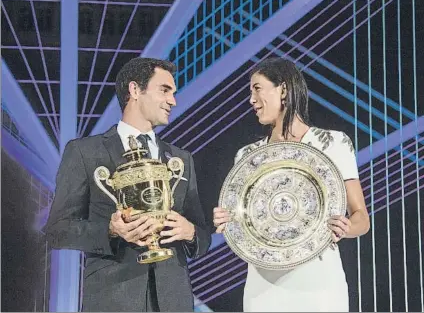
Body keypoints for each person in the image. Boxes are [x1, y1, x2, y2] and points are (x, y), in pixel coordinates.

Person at [46, 58, 211, 312]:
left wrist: (190, 231)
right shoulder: (84, 152)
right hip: (113, 298)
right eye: (164, 90)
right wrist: (110, 230)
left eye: (173, 93)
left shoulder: (181, 159)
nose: (173, 101)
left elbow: (202, 234)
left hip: (173, 301)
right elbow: (57, 230)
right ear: (135, 90)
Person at [213, 58, 370, 312]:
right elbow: (244, 224)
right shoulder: (247, 157)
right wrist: (228, 220)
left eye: (257, 88)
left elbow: (362, 218)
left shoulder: (334, 143)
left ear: (283, 89)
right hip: (263, 288)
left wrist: (346, 227)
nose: (251, 99)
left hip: (319, 284)